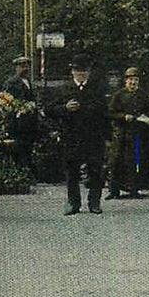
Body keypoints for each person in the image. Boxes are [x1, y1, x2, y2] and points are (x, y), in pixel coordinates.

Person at [48, 55, 108, 215]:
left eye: (84, 71)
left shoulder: (98, 88)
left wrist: (88, 109)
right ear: (72, 72)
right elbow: (50, 110)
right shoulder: (63, 89)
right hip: (71, 136)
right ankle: (73, 203)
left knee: (95, 171)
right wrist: (64, 108)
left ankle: (94, 203)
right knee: (71, 171)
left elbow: (104, 110)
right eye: (77, 71)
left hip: (93, 136)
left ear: (89, 72)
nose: (81, 74)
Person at [106, 67, 149, 199]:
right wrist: (123, 116)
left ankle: (134, 189)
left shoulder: (142, 95)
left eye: (136, 80)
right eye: (130, 80)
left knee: (135, 161)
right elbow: (110, 113)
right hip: (121, 133)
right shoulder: (118, 95)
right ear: (125, 81)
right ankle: (114, 191)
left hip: (137, 132)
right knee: (116, 161)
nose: (133, 83)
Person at [2, 56, 38, 170]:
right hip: (17, 121)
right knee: (19, 148)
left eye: (26, 66)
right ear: (16, 68)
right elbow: (7, 101)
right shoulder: (11, 83)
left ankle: (27, 170)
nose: (25, 68)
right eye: (22, 66)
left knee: (28, 146)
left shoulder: (29, 82)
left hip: (29, 120)